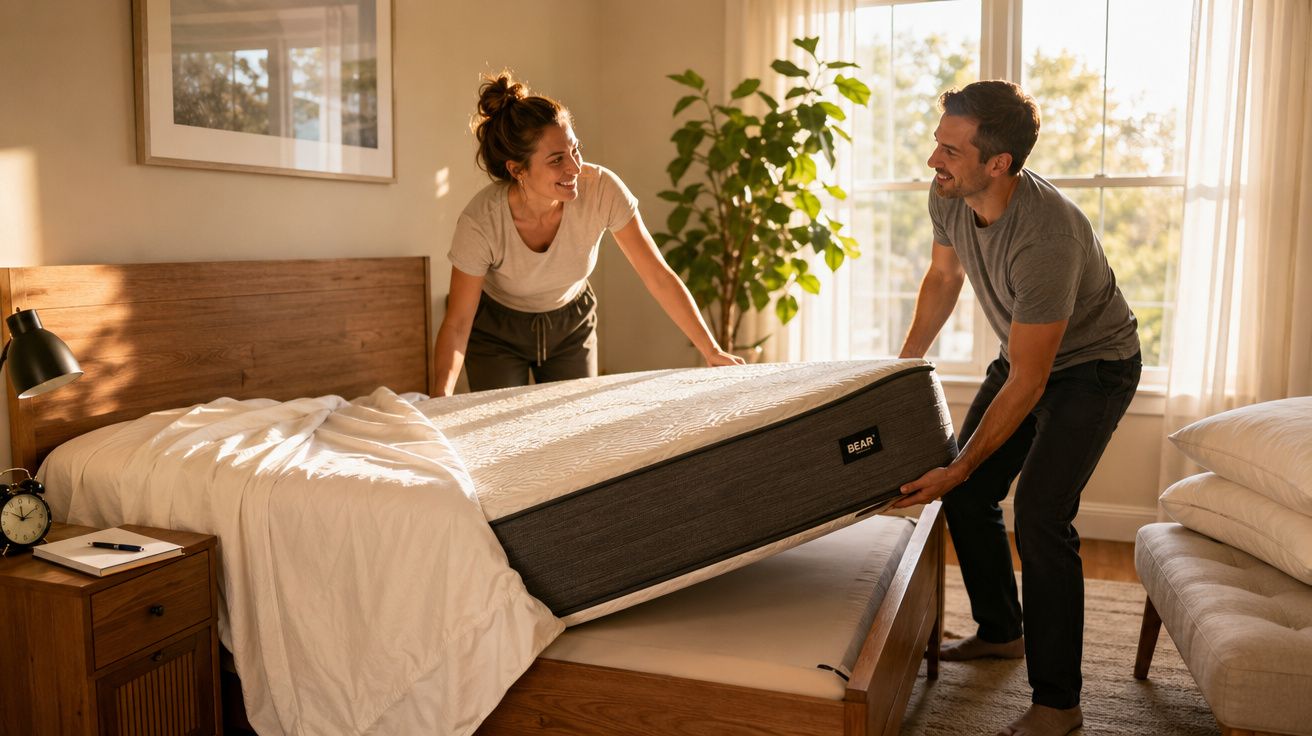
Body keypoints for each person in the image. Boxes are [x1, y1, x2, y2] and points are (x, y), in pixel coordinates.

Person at [891, 80, 1141, 736]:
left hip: (1094, 369)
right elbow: (944, 276)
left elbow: (1031, 382)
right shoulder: (950, 193)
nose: (933, 160)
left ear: (998, 163)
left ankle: (1058, 705)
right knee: (969, 495)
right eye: (938, 144)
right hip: (1024, 356)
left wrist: (959, 465)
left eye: (950, 150)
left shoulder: (1048, 235)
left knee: (1040, 516)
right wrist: (903, 367)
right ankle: (1002, 631)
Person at [432, 73, 741, 395]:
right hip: (498, 332)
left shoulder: (601, 189)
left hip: (571, 325)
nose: (575, 167)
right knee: (500, 421)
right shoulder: (481, 221)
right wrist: (439, 399)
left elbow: (658, 275)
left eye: (575, 149)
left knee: (577, 418)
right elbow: (458, 323)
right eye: (557, 160)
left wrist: (711, 350)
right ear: (517, 169)